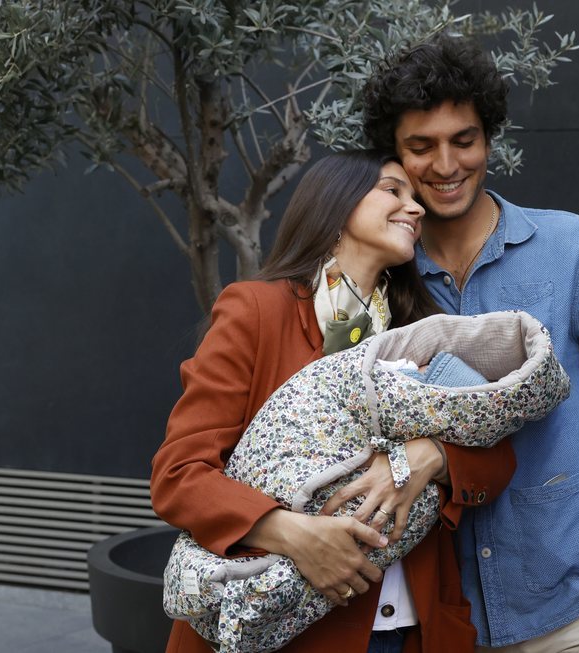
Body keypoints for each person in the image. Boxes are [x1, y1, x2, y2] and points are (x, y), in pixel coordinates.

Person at [360, 36, 579, 652]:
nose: (447, 165)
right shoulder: (385, 279)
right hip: (447, 624)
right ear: (394, 157)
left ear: (489, 138)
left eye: (465, 140)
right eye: (421, 146)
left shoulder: (573, 247)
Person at [151, 149, 517, 653]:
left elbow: (497, 451)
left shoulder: (422, 332)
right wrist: (294, 534)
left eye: (416, 199)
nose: (415, 209)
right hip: (289, 631)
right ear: (336, 202)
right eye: (393, 190)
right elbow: (179, 475)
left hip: (412, 629)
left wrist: (430, 457)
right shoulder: (258, 310)